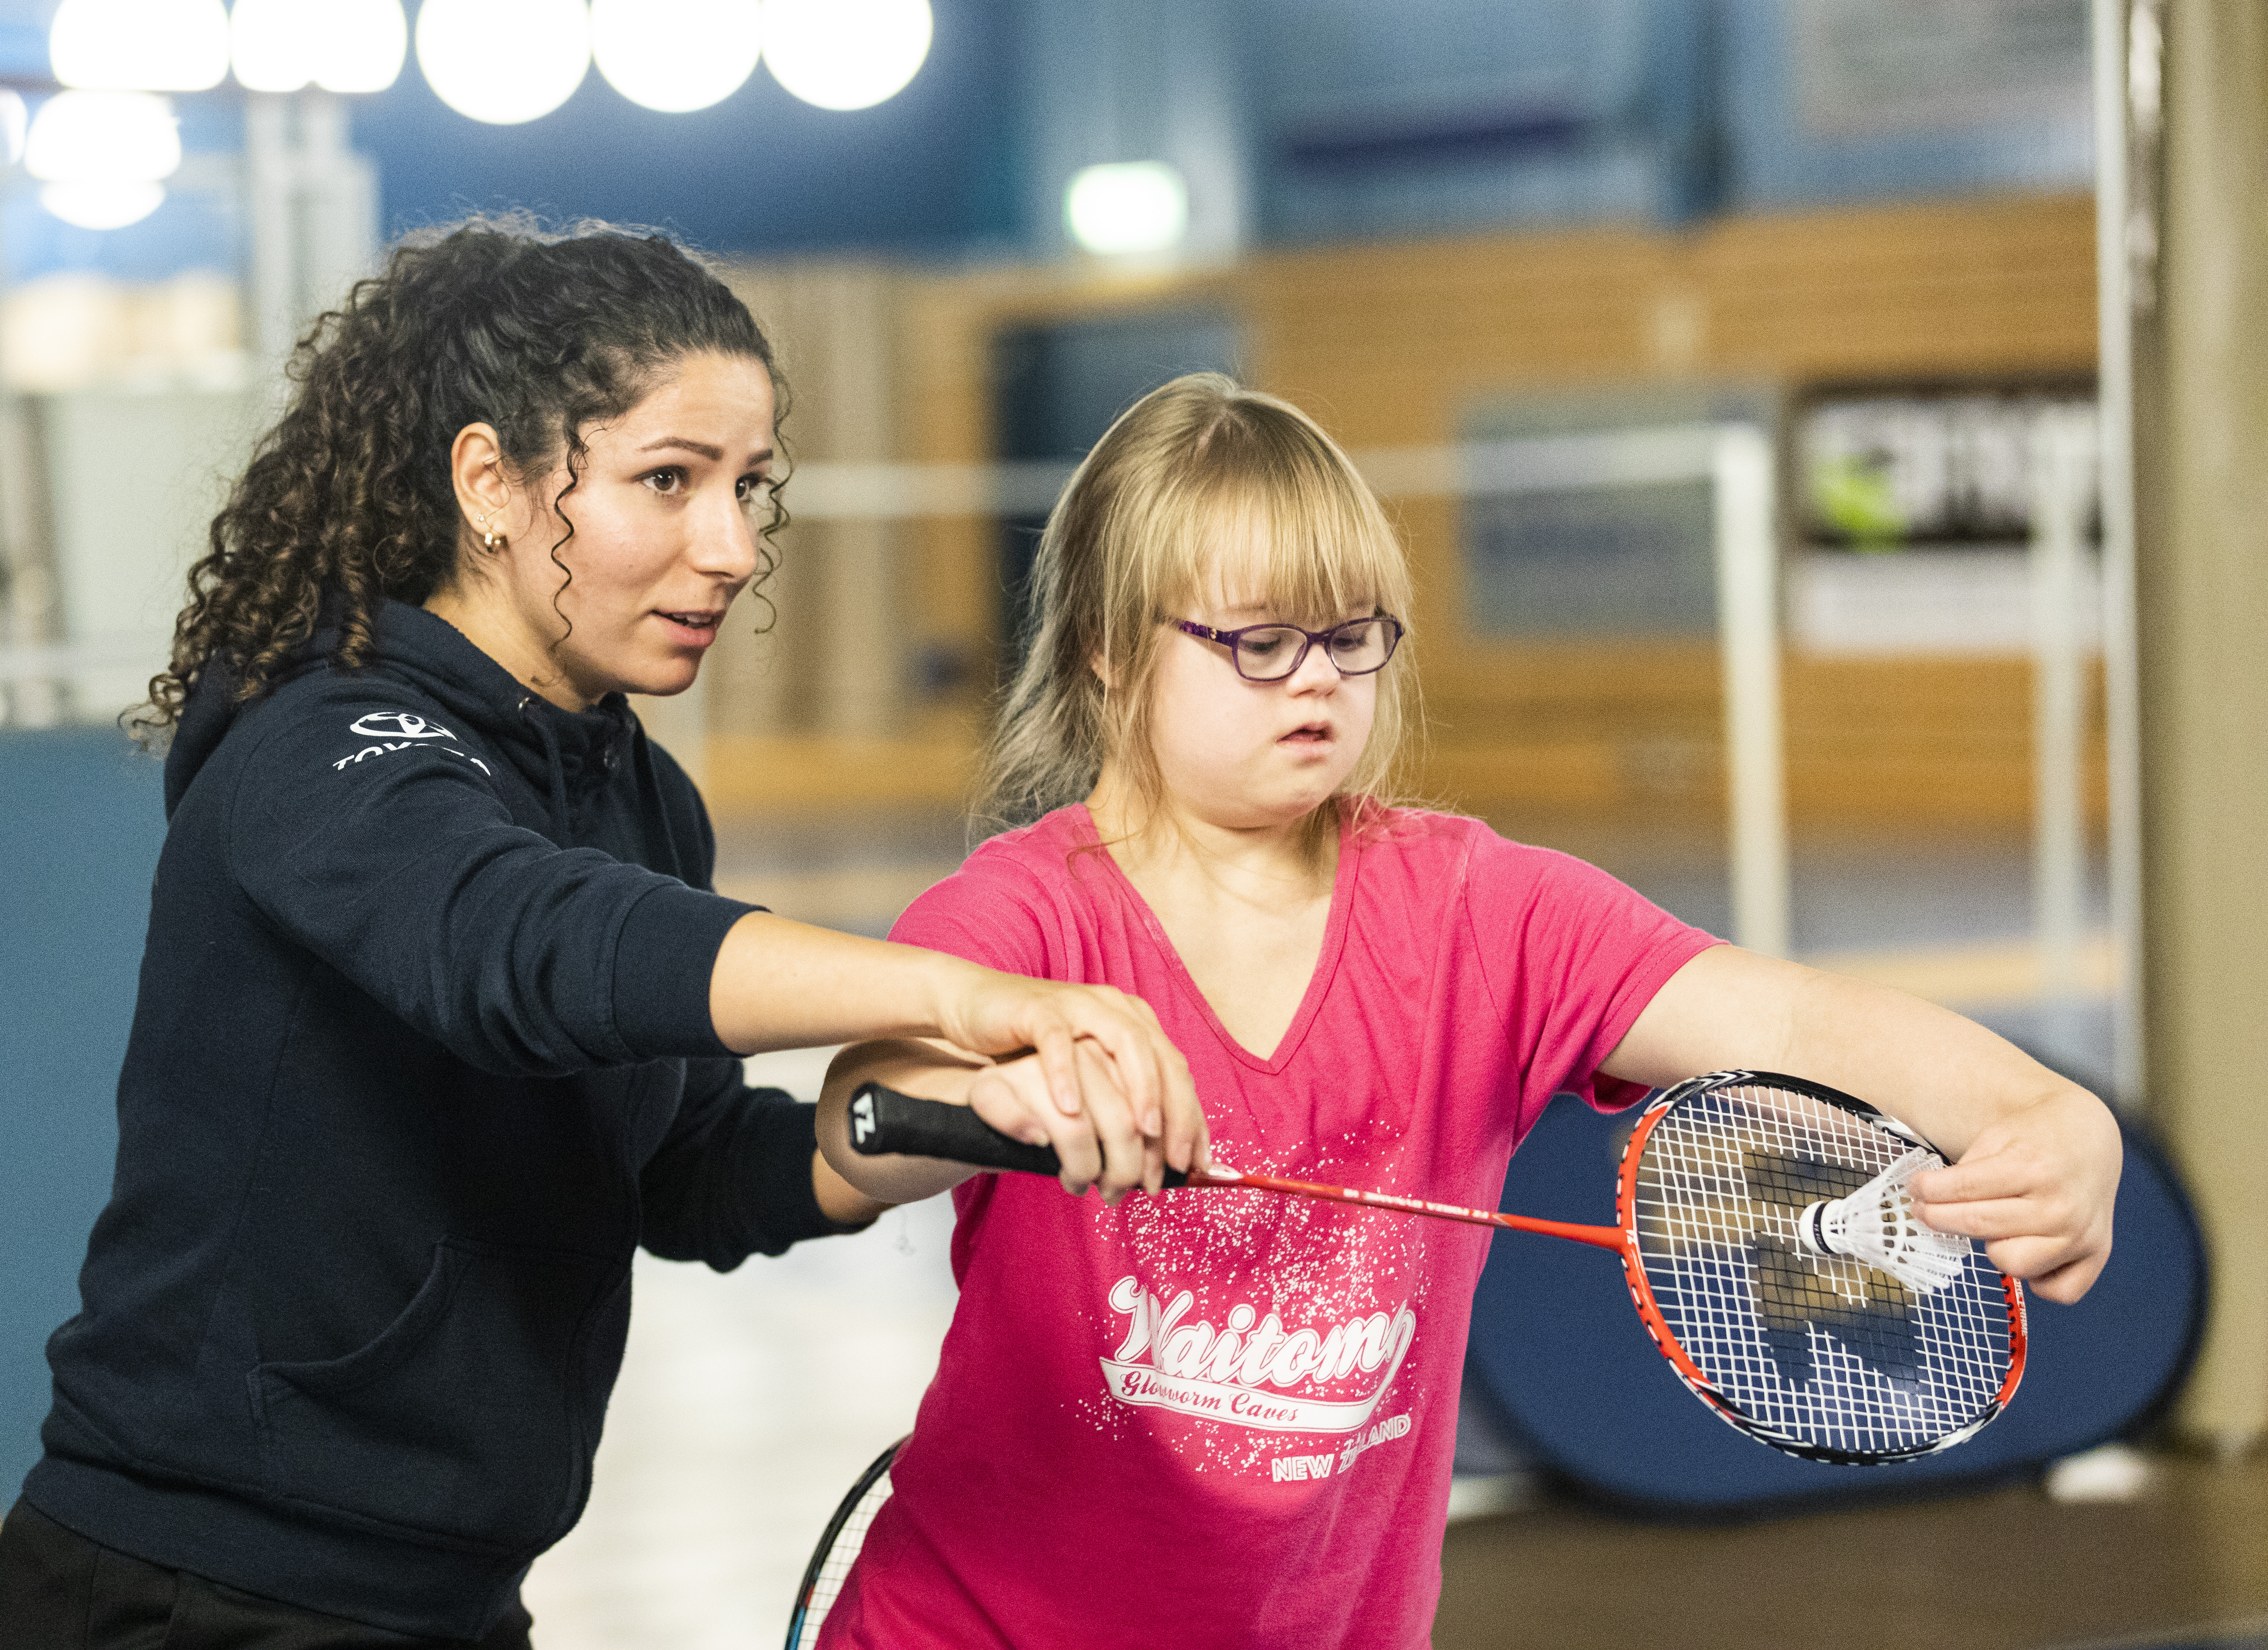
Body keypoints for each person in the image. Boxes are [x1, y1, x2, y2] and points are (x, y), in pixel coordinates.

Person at [0, 219, 1206, 1650]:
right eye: (667, 482)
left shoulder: (639, 797)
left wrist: (962, 1115)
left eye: (750, 488)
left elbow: (687, 1175)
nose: (734, 549)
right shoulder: (313, 745)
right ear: (490, 483)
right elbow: (525, 948)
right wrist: (970, 993)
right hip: (195, 1599)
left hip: (457, 1596)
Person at [810, 373, 2122, 1650]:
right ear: (1106, 646)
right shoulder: (1029, 918)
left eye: (1352, 636)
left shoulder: (1479, 913)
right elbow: (862, 1123)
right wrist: (999, 1095)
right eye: (1258, 642)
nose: (1317, 679)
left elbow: (1783, 1024)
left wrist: (2044, 1114)